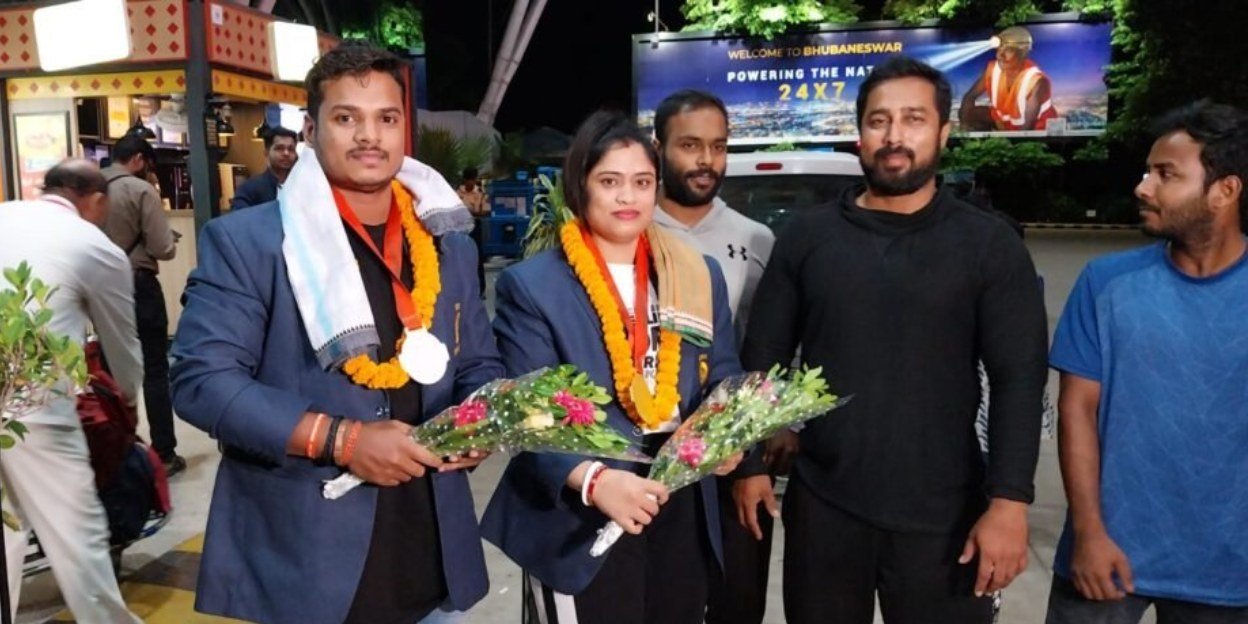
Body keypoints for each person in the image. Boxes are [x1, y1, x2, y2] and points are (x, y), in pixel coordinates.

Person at [170, 41, 502, 624]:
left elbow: (477, 361)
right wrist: (341, 439)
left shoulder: (446, 243)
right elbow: (203, 381)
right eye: (347, 117)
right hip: (309, 561)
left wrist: (482, 421)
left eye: (387, 119)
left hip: (431, 552)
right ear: (309, 128)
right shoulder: (251, 242)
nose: (369, 136)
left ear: (406, 131)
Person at [736, 56, 1048, 624]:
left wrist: (1009, 503)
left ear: (943, 133)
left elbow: (1018, 379)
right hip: (824, 509)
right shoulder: (809, 236)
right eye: (879, 120)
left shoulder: (988, 244)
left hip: (946, 514)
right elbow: (763, 356)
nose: (894, 136)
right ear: (860, 134)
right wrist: (752, 461)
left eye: (913, 119)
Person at [481, 110, 744, 624]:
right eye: (610, 181)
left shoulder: (694, 271)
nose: (628, 197)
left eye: (642, 182)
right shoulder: (534, 285)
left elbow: (725, 369)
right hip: (583, 507)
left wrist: (728, 432)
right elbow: (529, 411)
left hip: (680, 495)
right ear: (581, 186)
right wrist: (595, 480)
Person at [1045, 100, 1248, 624]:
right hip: (1103, 560)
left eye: (1165, 175)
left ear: (1225, 190)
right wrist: (1089, 534)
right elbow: (1076, 414)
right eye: (1146, 172)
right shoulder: (1105, 283)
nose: (1143, 187)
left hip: (1229, 573)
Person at [648, 88, 778, 624]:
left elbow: (766, 352)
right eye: (690, 146)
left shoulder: (757, 239)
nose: (706, 161)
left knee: (735, 600)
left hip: (732, 457)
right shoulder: (629, 226)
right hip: (647, 459)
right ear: (658, 148)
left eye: (718, 147)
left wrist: (753, 454)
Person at [0, 160, 143, 623]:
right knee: (73, 523)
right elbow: (122, 339)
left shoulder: (7, 214)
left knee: (8, 524)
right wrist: (128, 397)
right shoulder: (94, 246)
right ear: (97, 200)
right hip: (30, 400)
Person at [101, 134, 184, 476]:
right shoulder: (139, 190)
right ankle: (163, 451)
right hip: (138, 284)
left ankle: (117, 447)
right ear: (137, 159)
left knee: (108, 370)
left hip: (101, 288)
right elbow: (163, 248)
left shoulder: (90, 187)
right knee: (153, 369)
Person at [959, 26, 1057, 132]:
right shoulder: (993, 70)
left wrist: (1004, 146)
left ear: (1023, 53)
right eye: (999, 49)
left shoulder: (1036, 81)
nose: (1000, 55)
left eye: (1008, 50)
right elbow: (969, 97)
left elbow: (1027, 130)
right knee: (970, 113)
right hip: (1007, 126)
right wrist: (964, 129)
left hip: (1038, 133)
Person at [230, 126, 299, 210]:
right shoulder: (249, 189)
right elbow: (239, 219)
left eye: (291, 149)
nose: (286, 153)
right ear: (266, 152)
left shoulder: (303, 187)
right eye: (279, 148)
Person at [458, 167, 490, 296]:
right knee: (462, 258)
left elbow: (486, 210)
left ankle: (480, 289)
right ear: (465, 180)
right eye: (469, 180)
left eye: (473, 180)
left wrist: (473, 212)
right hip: (461, 227)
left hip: (475, 225)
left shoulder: (481, 193)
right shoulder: (458, 193)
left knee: (477, 257)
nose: (471, 183)